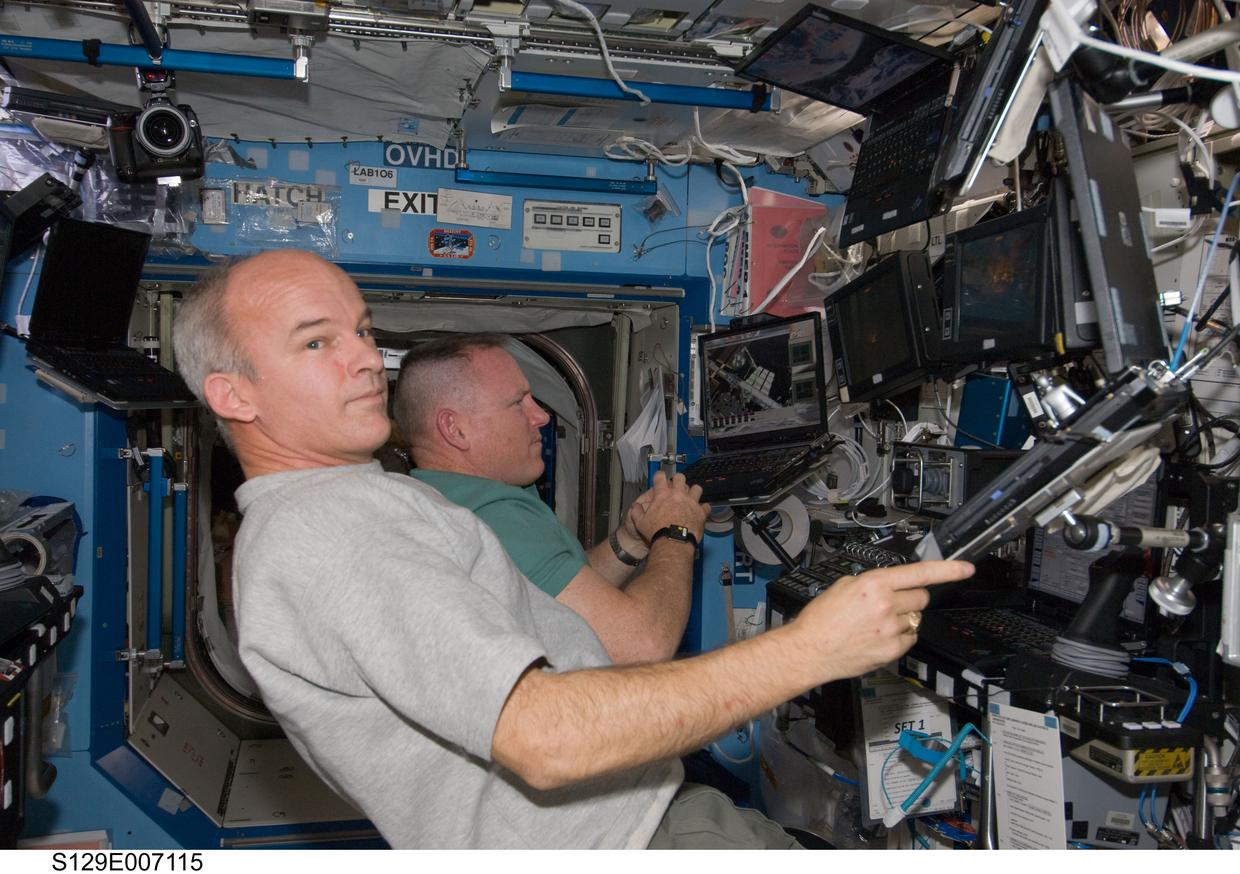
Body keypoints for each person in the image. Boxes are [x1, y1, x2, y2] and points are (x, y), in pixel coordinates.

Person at [173, 248, 974, 849]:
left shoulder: (347, 507)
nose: (362, 359)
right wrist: (810, 648)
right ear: (232, 394)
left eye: (361, 330)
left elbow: (528, 625)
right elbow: (546, 737)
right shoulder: (330, 530)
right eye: (316, 343)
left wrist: (628, 543)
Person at [393, 334, 705, 665]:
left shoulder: (448, 497)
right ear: (455, 430)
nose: (540, 416)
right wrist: (674, 533)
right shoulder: (488, 518)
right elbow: (641, 646)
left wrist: (630, 542)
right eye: (518, 403)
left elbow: (562, 600)